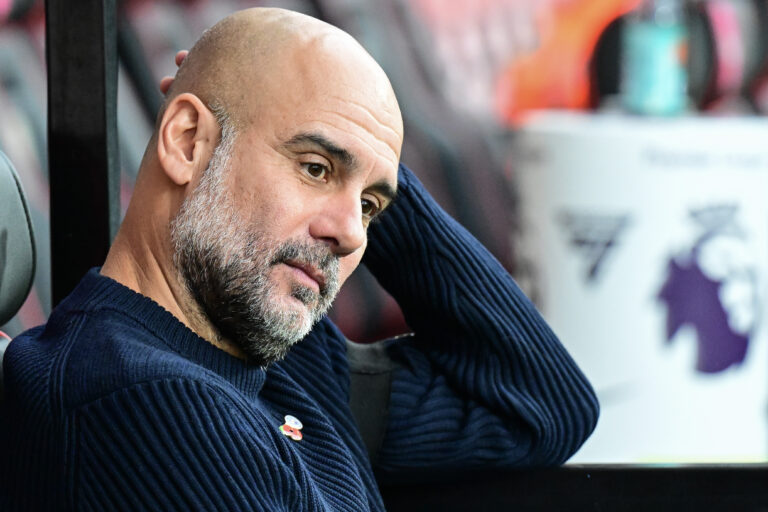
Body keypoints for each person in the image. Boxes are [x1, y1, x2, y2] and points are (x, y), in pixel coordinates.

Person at [0, 7, 598, 511]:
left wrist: (365, 148)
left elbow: (544, 405)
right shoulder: (141, 404)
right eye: (314, 167)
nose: (348, 233)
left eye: (369, 207)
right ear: (187, 142)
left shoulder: (276, 358)